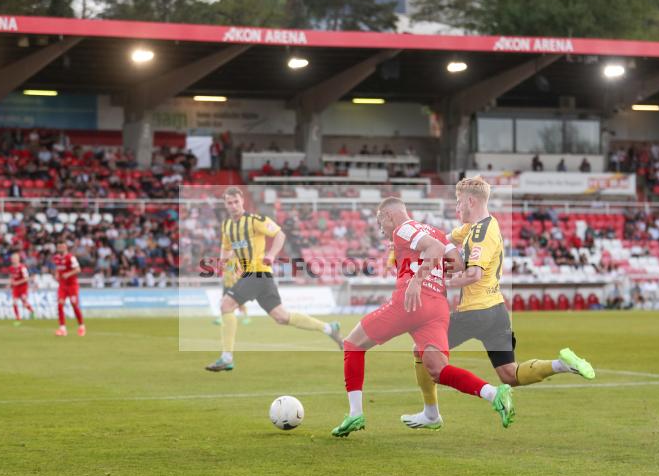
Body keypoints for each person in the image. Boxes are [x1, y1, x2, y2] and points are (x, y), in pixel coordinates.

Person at [399, 177, 594, 430]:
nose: (456, 208)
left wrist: (439, 282)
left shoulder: (481, 233)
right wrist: (413, 243)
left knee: (420, 348)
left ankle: (431, 414)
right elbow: (441, 239)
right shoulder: (474, 228)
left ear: (471, 200)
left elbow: (474, 274)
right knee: (510, 374)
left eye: (459, 202)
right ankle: (561, 364)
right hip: (497, 312)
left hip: (476, 312)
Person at [330, 197, 515, 438]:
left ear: (388, 216)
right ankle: (493, 393)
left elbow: (435, 250)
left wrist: (417, 280)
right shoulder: (436, 231)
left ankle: (355, 413)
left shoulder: (402, 228)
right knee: (437, 369)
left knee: (352, 344)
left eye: (380, 223)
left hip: (411, 303)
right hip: (437, 306)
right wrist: (432, 274)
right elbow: (457, 262)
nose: (382, 229)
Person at [204, 187, 343, 372]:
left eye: (236, 201)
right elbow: (226, 249)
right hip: (256, 277)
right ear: (225, 204)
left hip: (258, 272)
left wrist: (271, 254)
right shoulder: (227, 226)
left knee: (226, 305)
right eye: (229, 203)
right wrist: (223, 263)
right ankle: (328, 328)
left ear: (242, 201)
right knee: (281, 317)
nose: (233, 205)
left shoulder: (255, 220)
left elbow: (280, 234)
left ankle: (227, 357)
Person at [53, 240, 85, 337]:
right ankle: (62, 329)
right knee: (60, 305)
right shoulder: (56, 258)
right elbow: (58, 268)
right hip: (62, 286)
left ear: (66, 247)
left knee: (74, 305)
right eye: (59, 247)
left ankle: (81, 326)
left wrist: (69, 274)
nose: (61, 248)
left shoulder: (71, 258)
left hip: (72, 285)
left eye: (62, 246)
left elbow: (78, 269)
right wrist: (56, 275)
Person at [213, 256, 250, 326]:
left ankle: (246, 317)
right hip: (227, 285)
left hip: (234, 285)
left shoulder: (236, 260)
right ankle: (221, 318)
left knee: (239, 303)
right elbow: (224, 270)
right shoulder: (225, 260)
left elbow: (238, 271)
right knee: (223, 302)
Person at [8, 252, 35, 326]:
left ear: (18, 259)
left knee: (24, 302)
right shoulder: (11, 268)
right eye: (13, 259)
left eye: (15, 259)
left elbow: (26, 279)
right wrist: (10, 283)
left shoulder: (22, 267)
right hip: (15, 288)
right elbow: (11, 277)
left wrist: (17, 282)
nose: (14, 260)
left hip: (23, 287)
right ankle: (18, 319)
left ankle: (32, 311)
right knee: (14, 302)